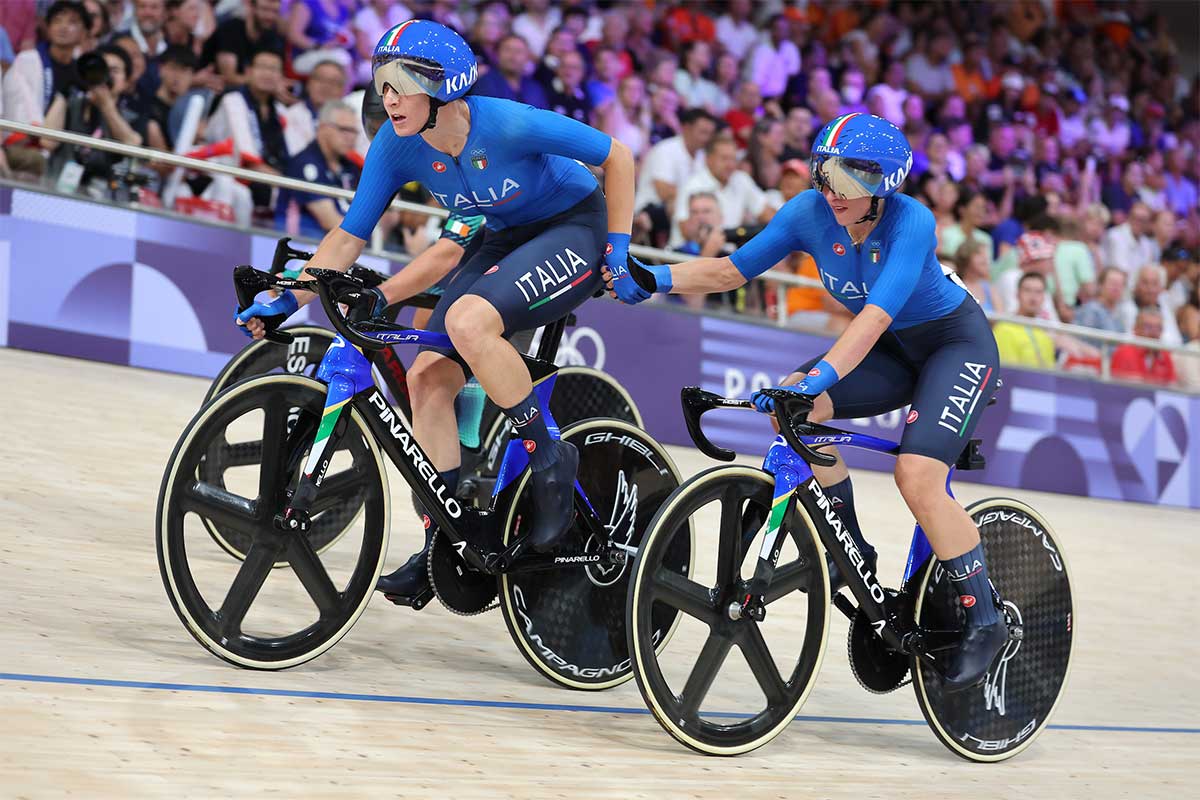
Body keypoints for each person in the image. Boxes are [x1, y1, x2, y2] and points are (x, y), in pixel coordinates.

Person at [604, 113, 1008, 693]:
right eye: (825, 174)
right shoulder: (807, 213)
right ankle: (852, 550)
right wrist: (654, 278)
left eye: (849, 180)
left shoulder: (912, 222)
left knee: (917, 477)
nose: (832, 191)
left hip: (955, 347)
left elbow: (871, 320)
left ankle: (984, 623)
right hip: (893, 349)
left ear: (885, 184)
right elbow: (729, 269)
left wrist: (814, 377)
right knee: (792, 413)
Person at [236, 20, 635, 604]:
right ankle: (444, 542)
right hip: (503, 237)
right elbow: (346, 238)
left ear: (445, 85)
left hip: (572, 226)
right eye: (381, 83)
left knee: (467, 322)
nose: (387, 97)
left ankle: (551, 459)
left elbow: (617, 156)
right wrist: (286, 301)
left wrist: (619, 250)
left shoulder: (506, 122)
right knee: (426, 377)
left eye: (400, 83)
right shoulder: (395, 145)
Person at [274, 101, 361, 239]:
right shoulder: (304, 164)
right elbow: (329, 220)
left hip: (337, 245)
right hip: (299, 244)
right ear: (323, 127)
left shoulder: (351, 168)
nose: (350, 137)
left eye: (354, 131)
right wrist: (368, 238)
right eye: (344, 129)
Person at [200, 0, 285, 88]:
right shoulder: (230, 29)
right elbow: (229, 78)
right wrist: (265, 82)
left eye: (275, 11)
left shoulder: (272, 37)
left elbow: (277, 74)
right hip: (211, 91)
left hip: (250, 91)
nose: (269, 16)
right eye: (264, 9)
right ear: (251, 7)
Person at [992, 273, 1057, 368]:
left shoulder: (1044, 333)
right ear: (1017, 295)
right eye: (1027, 290)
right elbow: (1009, 374)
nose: (1033, 297)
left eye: (1038, 292)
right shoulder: (1004, 329)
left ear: (1043, 298)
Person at [471, 34, 548, 109]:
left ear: (527, 57)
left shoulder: (535, 88)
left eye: (518, 51)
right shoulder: (484, 82)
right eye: (507, 50)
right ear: (497, 54)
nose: (513, 56)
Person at [1110, 307, 1177, 386]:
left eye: (1158, 328)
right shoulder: (1124, 352)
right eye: (1148, 327)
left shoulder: (1165, 356)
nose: (1154, 333)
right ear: (1135, 329)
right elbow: (1115, 387)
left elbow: (1171, 388)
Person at [1075, 267, 1128, 334]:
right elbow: (1080, 340)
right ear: (1101, 285)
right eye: (1113, 283)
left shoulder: (1120, 315)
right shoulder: (1091, 310)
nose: (1116, 288)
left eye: (1120, 285)